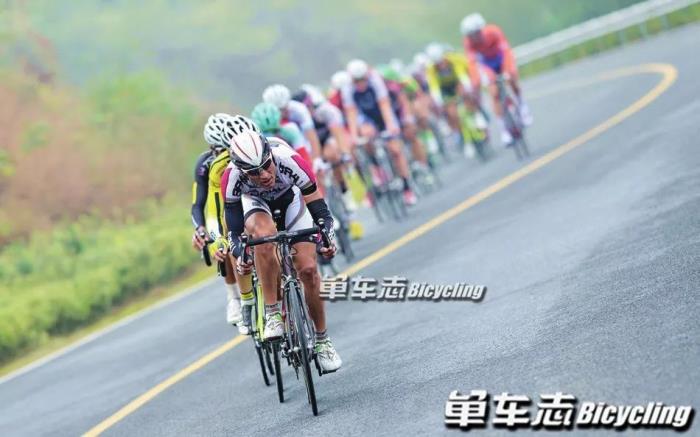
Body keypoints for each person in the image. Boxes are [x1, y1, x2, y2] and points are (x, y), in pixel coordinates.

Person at [220, 124, 342, 373]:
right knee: (263, 239)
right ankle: (273, 312)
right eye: (254, 172)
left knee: (308, 270)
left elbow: (321, 212)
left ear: (270, 155)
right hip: (256, 203)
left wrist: (326, 239)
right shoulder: (231, 177)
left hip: (291, 199)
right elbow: (233, 231)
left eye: (267, 165)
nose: (264, 175)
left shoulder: (289, 160)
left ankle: (323, 341)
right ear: (241, 170)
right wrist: (241, 253)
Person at [192, 113, 245, 330]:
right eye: (217, 150)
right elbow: (198, 205)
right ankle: (234, 297)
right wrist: (201, 230)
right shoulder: (205, 165)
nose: (222, 155)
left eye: (225, 149)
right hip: (222, 205)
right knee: (223, 239)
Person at [341, 58, 417, 205]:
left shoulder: (375, 80)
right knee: (366, 135)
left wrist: (391, 126)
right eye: (356, 81)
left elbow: (384, 105)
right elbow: (351, 113)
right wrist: (354, 136)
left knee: (395, 150)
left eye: (363, 79)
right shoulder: (347, 89)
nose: (360, 83)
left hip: (382, 114)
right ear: (351, 80)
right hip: (366, 117)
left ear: (367, 75)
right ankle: (377, 166)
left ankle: (407, 188)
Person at [460, 12, 533, 145]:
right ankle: (504, 129)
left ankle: (523, 107)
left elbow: (506, 52)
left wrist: (508, 71)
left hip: (501, 58)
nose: (475, 37)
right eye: (471, 35)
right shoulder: (468, 43)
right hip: (487, 64)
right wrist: (476, 82)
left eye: (477, 33)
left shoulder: (493, 31)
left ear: (482, 29)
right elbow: (473, 64)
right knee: (494, 93)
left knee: (512, 78)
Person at [424, 42, 487, 148]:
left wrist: (468, 90)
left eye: (441, 62)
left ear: (443, 57)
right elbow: (434, 87)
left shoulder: (453, 60)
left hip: (458, 82)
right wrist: (439, 102)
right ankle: (458, 133)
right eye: (437, 64)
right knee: (451, 112)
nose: (441, 65)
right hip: (445, 89)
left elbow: (462, 76)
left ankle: (477, 116)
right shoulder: (431, 69)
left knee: (467, 95)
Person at [262, 84, 322, 172]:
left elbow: (311, 136)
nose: (284, 112)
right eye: (280, 110)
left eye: (285, 107)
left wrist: (316, 159)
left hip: (301, 139)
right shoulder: (266, 116)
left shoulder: (299, 109)